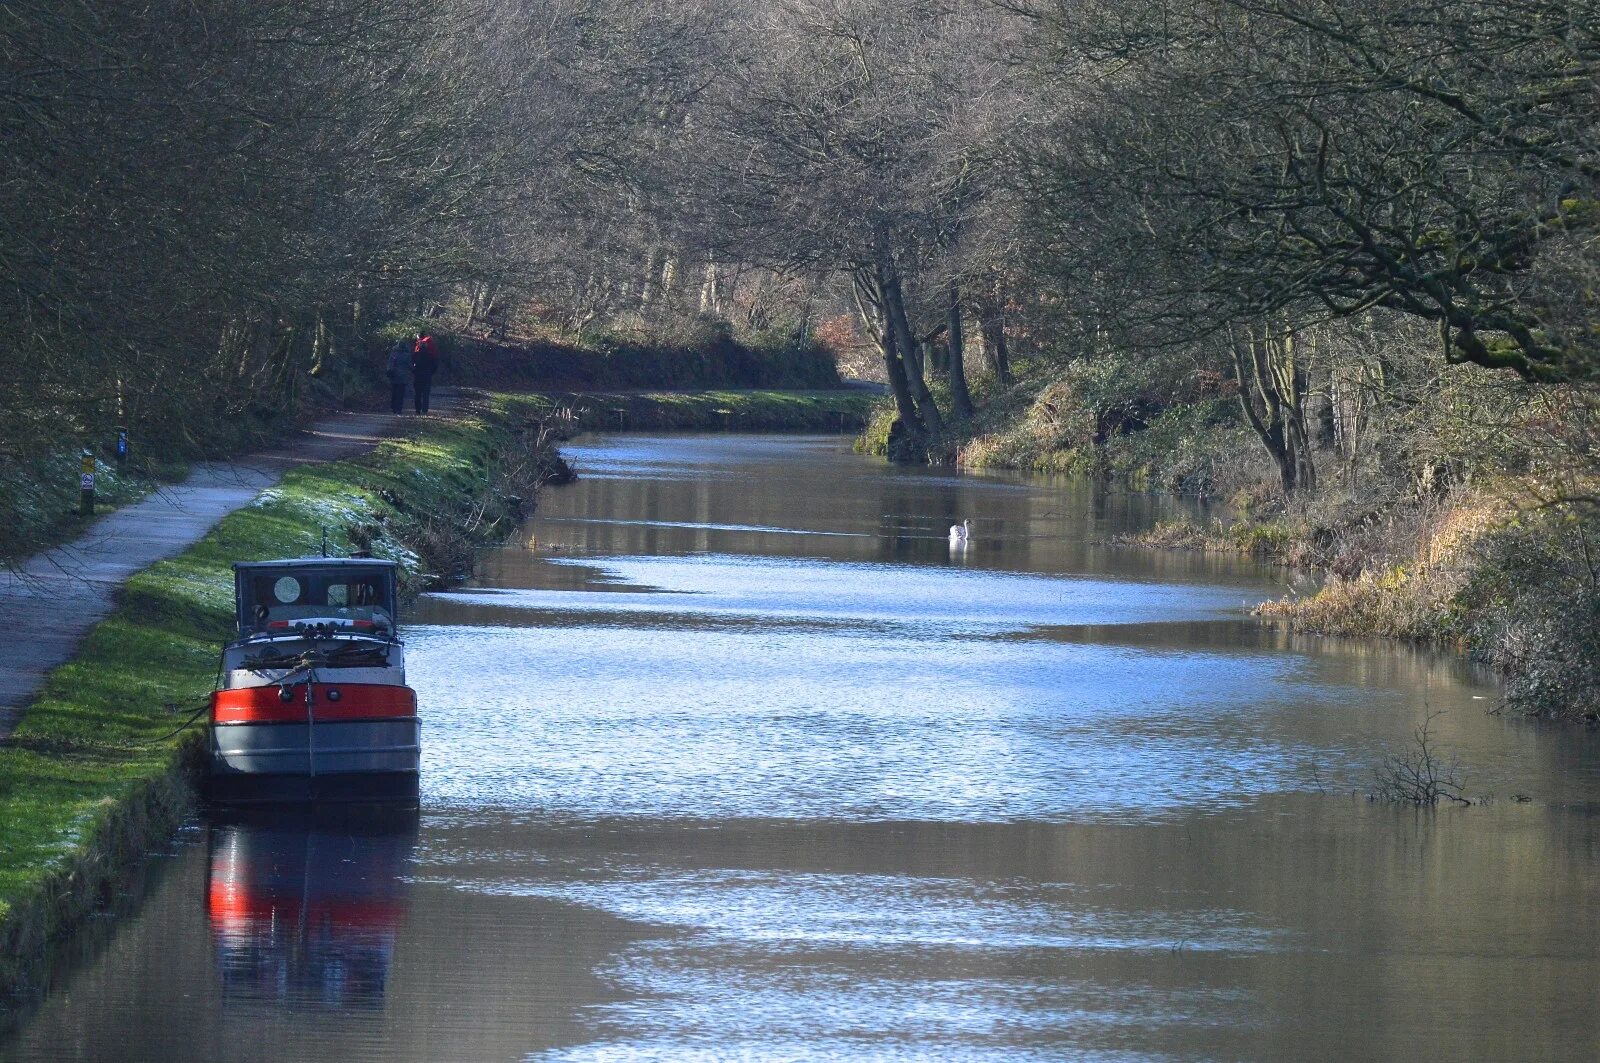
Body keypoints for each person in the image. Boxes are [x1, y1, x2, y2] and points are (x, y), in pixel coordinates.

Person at [411, 330, 439, 414]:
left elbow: (412, 364)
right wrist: (431, 372)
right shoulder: (430, 354)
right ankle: (424, 410)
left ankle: (417, 410)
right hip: (427, 375)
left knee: (418, 393)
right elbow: (435, 365)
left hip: (418, 375)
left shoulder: (416, 354)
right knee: (426, 393)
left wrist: (414, 372)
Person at [386, 340, 410, 414]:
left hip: (394, 376)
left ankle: (393, 407)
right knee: (401, 393)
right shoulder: (407, 355)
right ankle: (399, 409)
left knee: (394, 392)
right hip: (403, 377)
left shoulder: (393, 354)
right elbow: (410, 366)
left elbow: (389, 365)